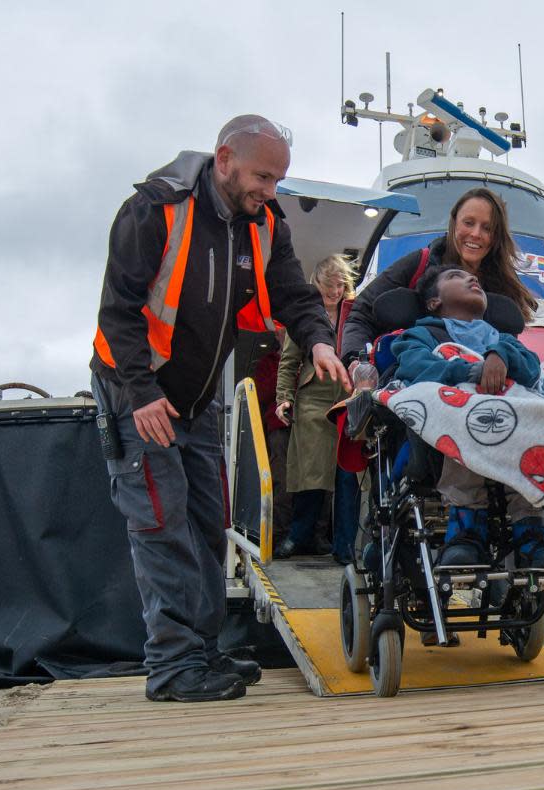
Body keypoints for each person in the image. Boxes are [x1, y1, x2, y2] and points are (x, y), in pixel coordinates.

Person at [91, 115, 350, 703]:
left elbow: (291, 294)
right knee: (162, 526)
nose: (271, 190)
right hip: (139, 395)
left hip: (196, 400)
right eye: (263, 176)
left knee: (210, 526)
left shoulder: (265, 225)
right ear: (225, 158)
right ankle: (173, 667)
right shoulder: (154, 210)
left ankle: (203, 653)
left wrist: (317, 341)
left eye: (278, 179)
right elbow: (118, 310)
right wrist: (141, 393)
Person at [390, 264, 544, 571]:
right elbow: (413, 369)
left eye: (471, 276)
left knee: (537, 417)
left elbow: (531, 371)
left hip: (511, 431)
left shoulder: (503, 339)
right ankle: (466, 527)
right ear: (435, 302)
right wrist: (469, 372)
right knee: (461, 414)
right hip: (453, 431)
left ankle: (531, 526)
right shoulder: (421, 335)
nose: (471, 277)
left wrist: (500, 355)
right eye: (455, 277)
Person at [340, 187, 538, 368]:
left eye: (487, 228)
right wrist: (356, 360)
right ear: (454, 223)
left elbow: (509, 343)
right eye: (468, 223)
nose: (476, 234)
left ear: (497, 236)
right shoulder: (419, 263)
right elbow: (361, 314)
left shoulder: (503, 287)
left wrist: (501, 357)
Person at [274, 254, 360, 564]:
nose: (335, 292)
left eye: (340, 285)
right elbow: (289, 363)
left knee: (348, 475)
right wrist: (284, 397)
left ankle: (345, 545)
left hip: (348, 399)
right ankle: (299, 535)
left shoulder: (356, 313)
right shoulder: (305, 315)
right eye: (329, 286)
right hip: (313, 399)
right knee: (310, 473)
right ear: (317, 284)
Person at [250, 328, 293, 547]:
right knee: (281, 480)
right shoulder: (268, 362)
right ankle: (277, 536)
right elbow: (261, 393)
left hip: (308, 425)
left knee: (314, 485)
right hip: (279, 426)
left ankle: (311, 536)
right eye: (283, 331)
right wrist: (286, 367)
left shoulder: (310, 356)